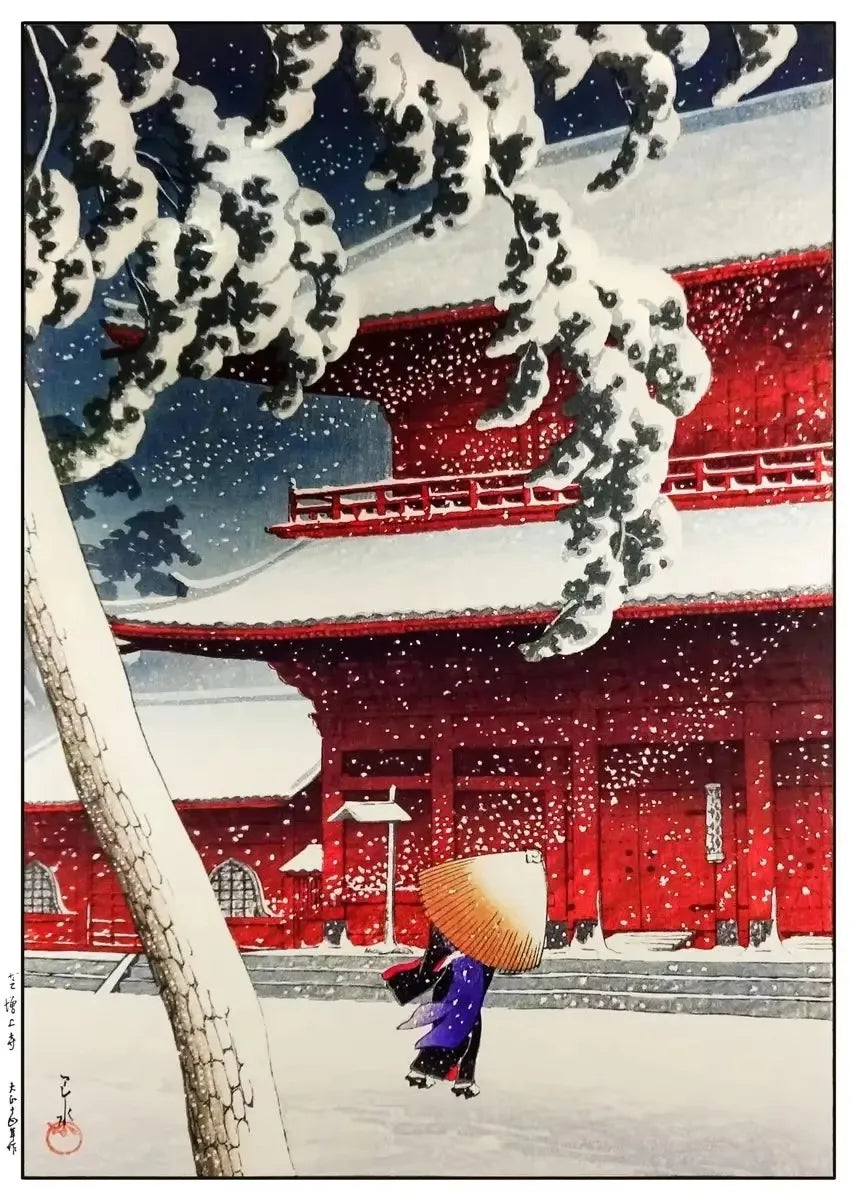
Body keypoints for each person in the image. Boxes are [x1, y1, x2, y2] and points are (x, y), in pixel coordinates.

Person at [381, 925, 494, 1099]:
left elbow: (436, 956)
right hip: (464, 971)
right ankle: (434, 1070)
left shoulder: (459, 918)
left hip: (461, 969)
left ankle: (453, 1074)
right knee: (461, 1023)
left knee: (461, 1021)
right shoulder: (473, 920)